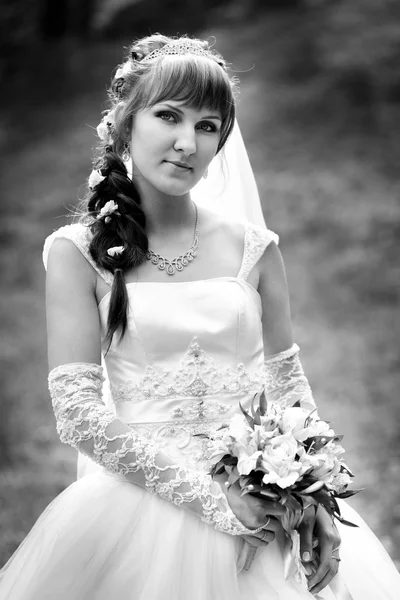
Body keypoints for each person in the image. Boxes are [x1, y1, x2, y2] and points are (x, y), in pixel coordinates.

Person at [0, 34, 399, 600]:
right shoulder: (76, 253)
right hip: (138, 507)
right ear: (124, 123)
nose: (188, 142)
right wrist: (213, 501)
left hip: (265, 506)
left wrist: (315, 497)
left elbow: (288, 389)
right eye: (169, 116)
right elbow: (78, 414)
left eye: (208, 126)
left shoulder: (254, 248)